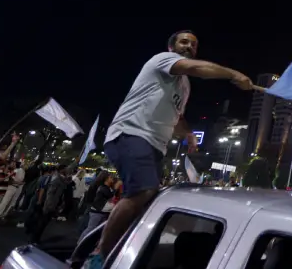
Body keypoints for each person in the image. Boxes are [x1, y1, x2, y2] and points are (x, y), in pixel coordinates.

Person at [84, 31, 262, 269]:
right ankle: (99, 257)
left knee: (148, 201)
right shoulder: (162, 60)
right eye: (184, 42)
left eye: (194, 44)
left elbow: (177, 117)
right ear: (171, 47)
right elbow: (198, 69)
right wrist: (233, 75)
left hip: (155, 146)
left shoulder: (184, 86)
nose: (189, 46)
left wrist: (188, 134)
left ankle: (118, 244)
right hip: (130, 134)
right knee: (142, 192)